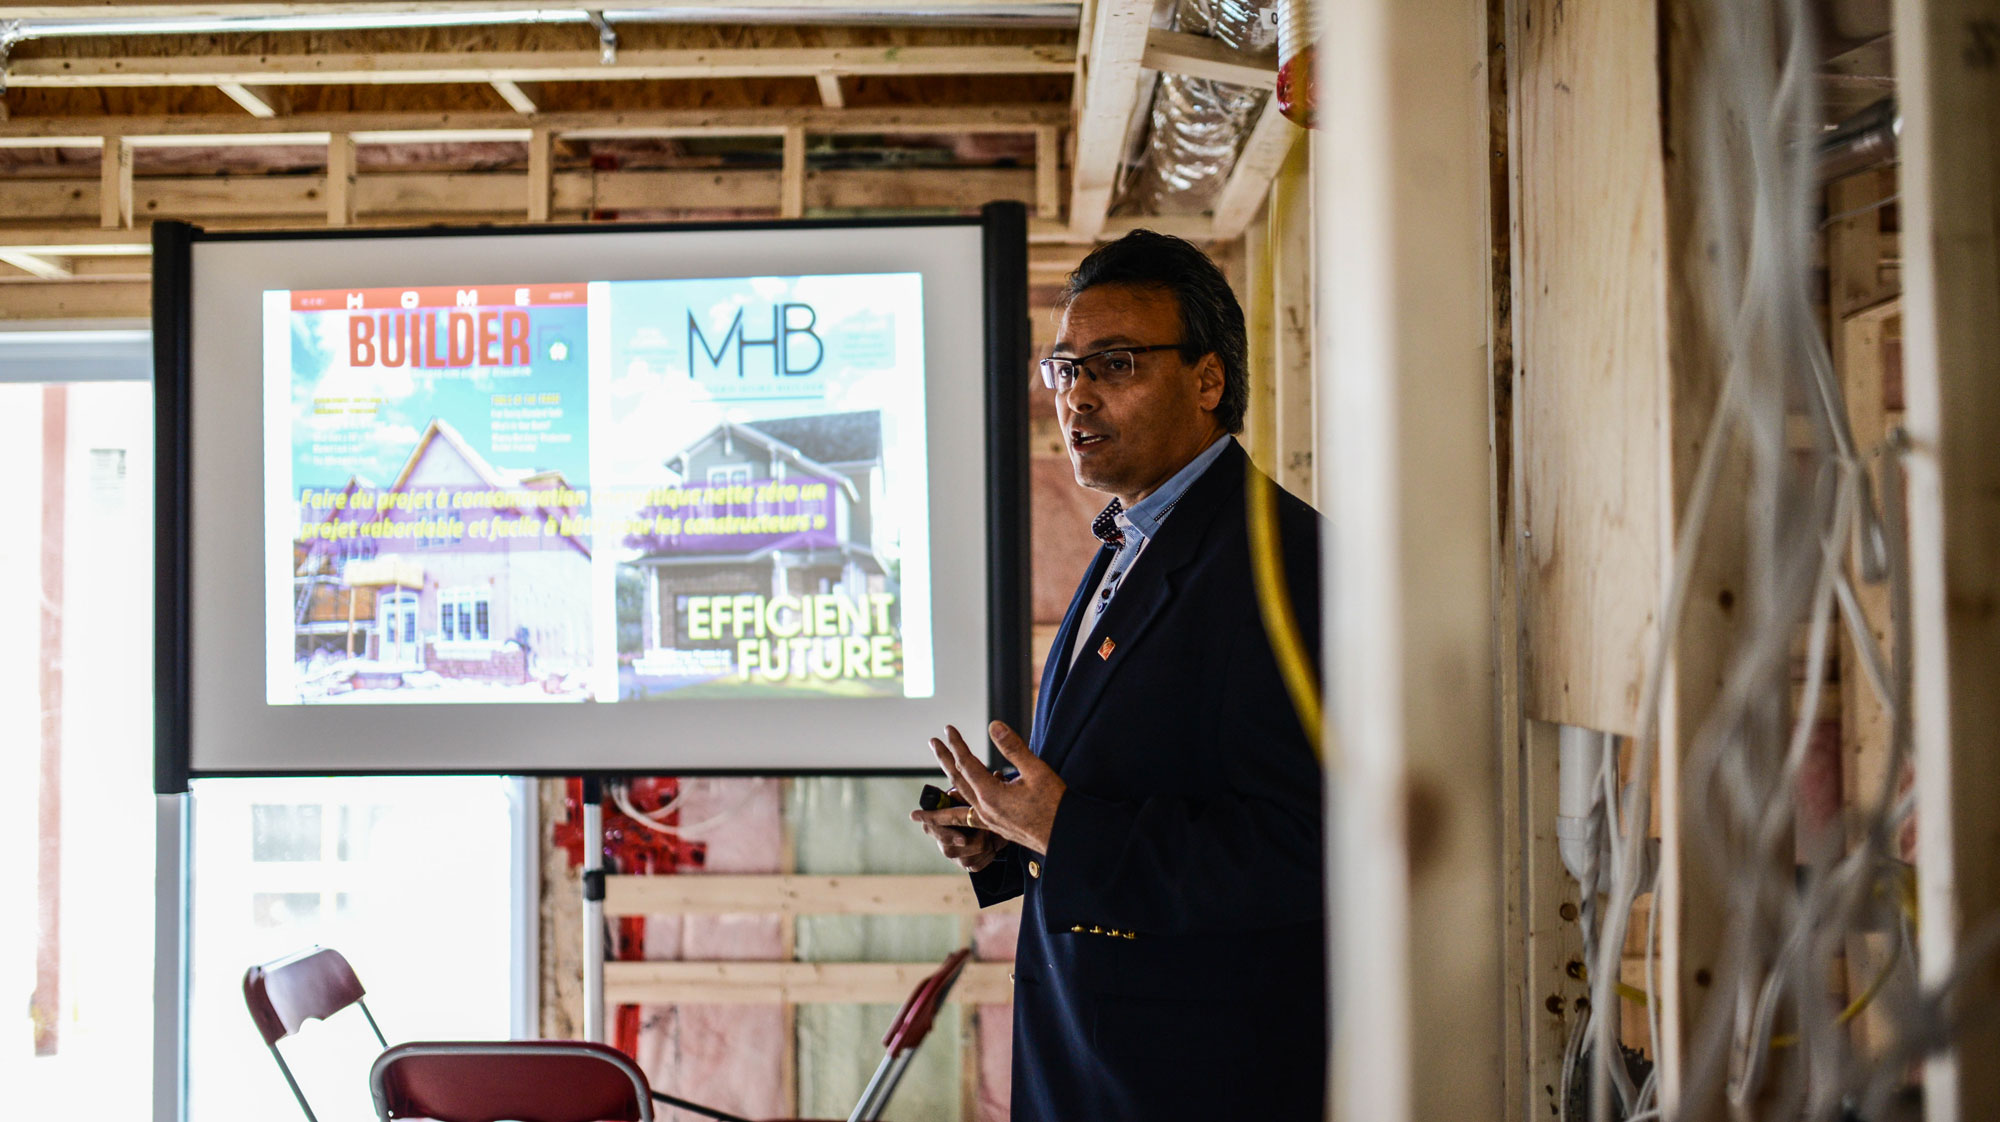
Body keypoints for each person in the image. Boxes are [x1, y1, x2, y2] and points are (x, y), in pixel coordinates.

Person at [909, 230, 1325, 1120]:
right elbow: (1131, 781)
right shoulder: (1129, 539)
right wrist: (1009, 834)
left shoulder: (1282, 561)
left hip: (1192, 1081)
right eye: (1065, 368)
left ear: (1208, 381)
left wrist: (1065, 830)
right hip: (1087, 1059)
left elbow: (1309, 847)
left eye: (1117, 364)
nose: (1077, 395)